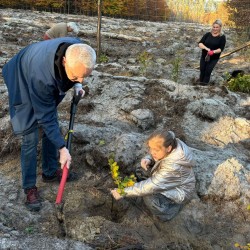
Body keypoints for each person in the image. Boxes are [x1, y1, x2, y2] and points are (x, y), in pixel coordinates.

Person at [2, 37, 96, 211]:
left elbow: (49, 113)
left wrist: (76, 84)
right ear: (64, 61)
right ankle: (29, 187)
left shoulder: (79, 49)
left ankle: (50, 171)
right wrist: (62, 148)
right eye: (76, 76)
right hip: (21, 75)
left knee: (51, 125)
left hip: (42, 72)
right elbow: (45, 116)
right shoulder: (41, 78)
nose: (80, 79)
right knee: (30, 133)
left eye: (84, 76)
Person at [111, 130, 196, 222]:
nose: (152, 152)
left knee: (149, 198)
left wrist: (123, 192)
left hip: (179, 191)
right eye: (151, 148)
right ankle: (139, 190)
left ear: (168, 148)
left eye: (156, 150)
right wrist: (149, 159)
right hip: (167, 179)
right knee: (140, 170)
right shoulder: (172, 142)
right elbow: (158, 155)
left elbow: (152, 186)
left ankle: (168, 213)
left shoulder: (173, 167)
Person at [198, 19, 226, 85]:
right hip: (204, 56)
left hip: (214, 58)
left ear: (220, 28)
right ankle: (200, 85)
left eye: (217, 27)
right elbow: (200, 43)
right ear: (212, 27)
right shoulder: (207, 34)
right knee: (202, 70)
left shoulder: (222, 37)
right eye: (214, 27)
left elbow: (220, 49)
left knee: (208, 71)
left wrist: (213, 52)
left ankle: (204, 87)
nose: (215, 29)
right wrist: (207, 49)